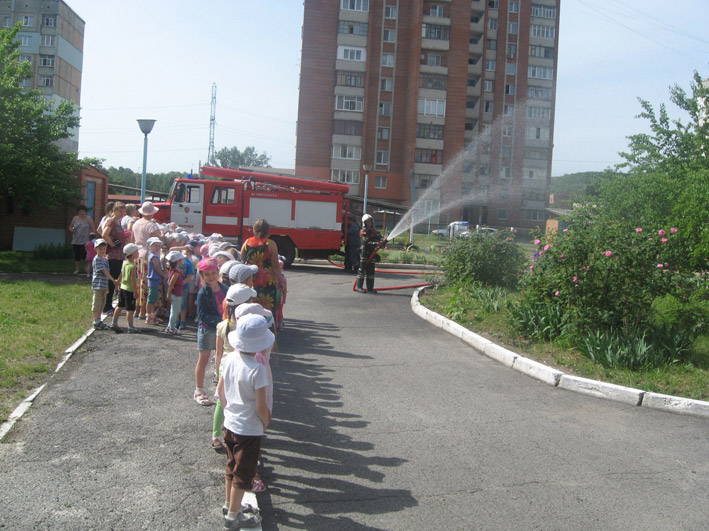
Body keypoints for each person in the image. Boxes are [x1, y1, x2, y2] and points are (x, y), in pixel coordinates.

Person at [217, 314, 274, 529]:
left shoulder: (230, 359)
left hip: (230, 424)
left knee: (231, 466)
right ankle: (233, 517)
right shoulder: (258, 370)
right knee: (244, 473)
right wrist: (265, 421)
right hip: (249, 430)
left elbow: (221, 390)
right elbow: (261, 406)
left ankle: (229, 504)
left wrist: (228, 411)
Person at [212, 284, 273, 453]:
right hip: (244, 367)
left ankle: (218, 432)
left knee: (222, 400)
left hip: (227, 367)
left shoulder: (222, 325)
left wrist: (217, 370)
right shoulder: (250, 330)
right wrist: (265, 420)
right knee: (249, 399)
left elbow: (218, 352)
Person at [195, 257, 228, 406]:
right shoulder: (203, 293)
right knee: (203, 360)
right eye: (207, 274)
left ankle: (221, 388)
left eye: (213, 273)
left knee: (221, 358)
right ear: (202, 276)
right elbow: (202, 316)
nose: (211, 276)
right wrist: (221, 320)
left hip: (222, 329)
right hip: (208, 329)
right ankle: (199, 390)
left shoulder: (225, 289)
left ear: (218, 272)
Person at [240, 219, 284, 319]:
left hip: (250, 277)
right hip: (267, 279)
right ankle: (267, 325)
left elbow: (241, 261)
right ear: (268, 231)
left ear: (254, 230)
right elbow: (275, 265)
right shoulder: (271, 244)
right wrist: (281, 280)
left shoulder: (247, 242)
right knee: (267, 305)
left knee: (251, 302)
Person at [101, 202, 128, 315]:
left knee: (116, 280)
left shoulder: (119, 222)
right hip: (113, 255)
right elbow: (104, 234)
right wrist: (112, 244)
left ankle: (109, 304)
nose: (122, 213)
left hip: (119, 255)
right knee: (111, 281)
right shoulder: (111, 222)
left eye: (123, 211)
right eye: (119, 211)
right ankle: (107, 306)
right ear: (114, 211)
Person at [110, 243, 141, 333]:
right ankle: (130, 327)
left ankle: (114, 323)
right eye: (136, 251)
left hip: (123, 288)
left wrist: (117, 281)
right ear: (132, 253)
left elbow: (121, 273)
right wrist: (135, 291)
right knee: (130, 309)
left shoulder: (124, 263)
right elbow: (133, 280)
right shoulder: (133, 266)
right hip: (130, 290)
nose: (138, 253)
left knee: (120, 305)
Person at [91, 239, 119, 330]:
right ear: (96, 249)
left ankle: (99, 320)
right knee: (97, 303)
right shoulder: (97, 259)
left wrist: (107, 285)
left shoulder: (104, 259)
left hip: (103, 284)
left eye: (104, 248)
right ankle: (96, 321)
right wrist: (113, 280)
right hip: (98, 285)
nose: (102, 250)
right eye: (100, 249)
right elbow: (104, 272)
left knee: (102, 303)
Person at [356, 214, 386, 294]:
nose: (369, 223)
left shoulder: (373, 231)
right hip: (364, 252)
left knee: (371, 272)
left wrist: (383, 240)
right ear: (364, 223)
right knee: (362, 270)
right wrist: (377, 243)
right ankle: (359, 287)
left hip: (372, 253)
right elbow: (366, 242)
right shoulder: (363, 231)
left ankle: (370, 288)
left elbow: (378, 236)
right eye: (367, 221)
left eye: (370, 221)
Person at [69, 205, 96, 276]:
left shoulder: (89, 219)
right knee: (77, 255)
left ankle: (87, 268)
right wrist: (72, 230)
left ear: (85, 212)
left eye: (83, 211)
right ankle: (77, 269)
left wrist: (92, 238)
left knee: (85, 255)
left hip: (86, 240)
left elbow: (93, 229)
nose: (82, 213)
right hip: (76, 240)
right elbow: (70, 227)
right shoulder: (75, 218)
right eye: (80, 211)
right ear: (78, 212)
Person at [146, 237, 167, 325]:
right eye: (155, 245)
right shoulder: (153, 257)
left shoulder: (155, 256)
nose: (157, 247)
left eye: (158, 246)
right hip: (153, 278)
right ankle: (149, 316)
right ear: (150, 247)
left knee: (154, 298)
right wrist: (163, 275)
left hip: (155, 278)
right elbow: (157, 268)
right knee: (151, 299)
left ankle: (152, 315)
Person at [164, 250, 186, 335]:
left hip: (176, 294)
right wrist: (168, 295)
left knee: (175, 311)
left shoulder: (174, 271)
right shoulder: (176, 273)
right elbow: (171, 284)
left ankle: (170, 326)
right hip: (176, 294)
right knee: (175, 311)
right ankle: (172, 328)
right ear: (178, 261)